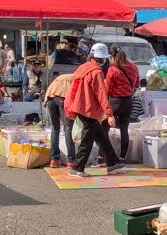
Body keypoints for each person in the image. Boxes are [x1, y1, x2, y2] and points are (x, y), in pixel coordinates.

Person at [66, 43, 121, 177]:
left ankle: (113, 163)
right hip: (88, 110)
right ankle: (77, 168)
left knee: (101, 137)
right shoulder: (96, 72)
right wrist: (109, 114)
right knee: (87, 141)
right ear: (102, 59)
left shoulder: (83, 68)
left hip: (80, 107)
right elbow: (101, 93)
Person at [105, 48, 139, 162]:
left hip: (115, 101)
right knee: (124, 130)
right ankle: (122, 157)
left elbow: (107, 88)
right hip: (128, 102)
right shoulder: (134, 66)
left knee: (104, 128)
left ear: (112, 57)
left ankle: (103, 155)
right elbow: (137, 84)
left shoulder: (112, 69)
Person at [41, 70, 76, 167]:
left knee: (55, 128)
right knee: (68, 128)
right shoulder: (78, 78)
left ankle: (54, 159)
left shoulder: (65, 76)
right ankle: (71, 160)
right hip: (62, 99)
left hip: (50, 98)